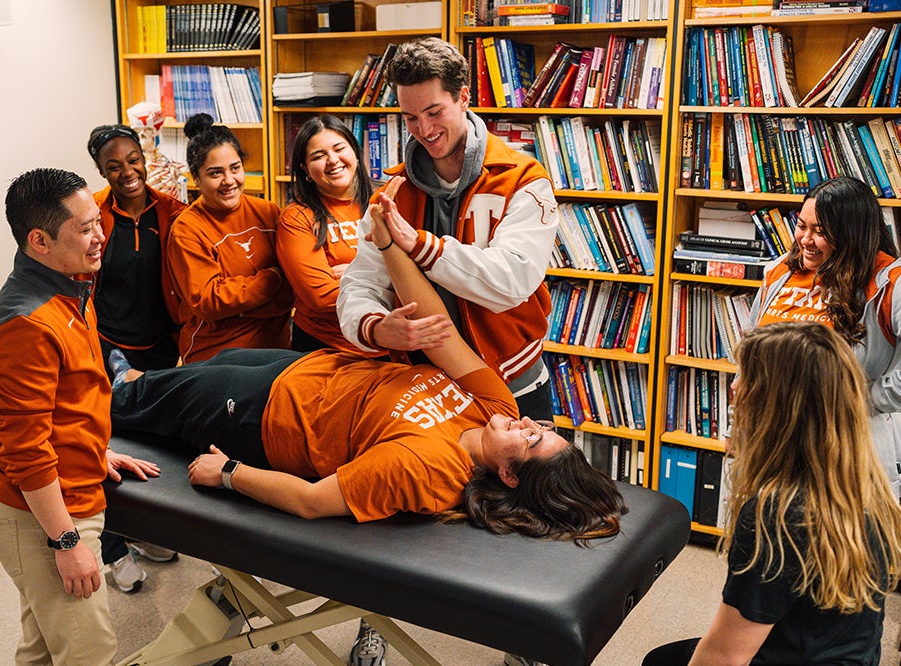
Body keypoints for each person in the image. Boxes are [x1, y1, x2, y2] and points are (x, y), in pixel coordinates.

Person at [110, 176, 625, 536]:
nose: (531, 427)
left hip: (271, 418)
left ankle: (99, 395)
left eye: (533, 442)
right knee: (186, 374)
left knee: (141, 406)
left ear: (510, 476)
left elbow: (313, 504)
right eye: (545, 430)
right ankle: (130, 375)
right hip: (311, 368)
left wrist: (228, 474)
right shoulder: (500, 409)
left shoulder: (428, 471)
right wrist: (388, 245)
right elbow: (438, 334)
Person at [0, 167, 162, 664]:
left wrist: (93, 447)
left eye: (98, 222)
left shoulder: (71, 288)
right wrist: (67, 540)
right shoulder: (29, 323)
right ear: (39, 240)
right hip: (37, 516)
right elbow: (26, 448)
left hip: (65, 497)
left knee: (40, 650)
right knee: (89, 651)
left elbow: (63, 402)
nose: (100, 236)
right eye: (84, 228)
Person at [643, 322, 901, 665]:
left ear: (777, 404)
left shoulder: (779, 514)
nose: (734, 386)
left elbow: (724, 657)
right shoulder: (866, 482)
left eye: (746, 377)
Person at [336, 37, 559, 421]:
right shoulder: (392, 193)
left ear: (463, 97)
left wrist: (422, 246)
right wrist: (373, 327)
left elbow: (513, 281)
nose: (423, 129)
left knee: (530, 484)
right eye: (410, 118)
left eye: (434, 111)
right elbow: (359, 285)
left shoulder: (523, 180)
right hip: (429, 389)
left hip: (514, 384)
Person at [749, 176, 901, 500]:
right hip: (776, 441)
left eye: (820, 231)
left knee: (844, 545)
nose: (805, 239)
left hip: (846, 446)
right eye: (801, 226)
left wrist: (863, 400)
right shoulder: (780, 272)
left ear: (852, 234)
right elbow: (750, 352)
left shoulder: (890, 283)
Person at [87, 123, 184, 592]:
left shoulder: (171, 211)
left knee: (153, 450)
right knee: (105, 450)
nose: (127, 172)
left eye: (132, 160)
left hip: (162, 348)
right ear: (100, 172)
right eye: (113, 166)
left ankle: (148, 531)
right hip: (109, 348)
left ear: (145, 158)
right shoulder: (94, 217)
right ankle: (112, 548)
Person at [167, 113, 293, 363]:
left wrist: (241, 308)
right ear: (196, 179)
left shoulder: (268, 212)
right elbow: (209, 301)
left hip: (277, 351)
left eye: (235, 168)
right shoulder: (187, 228)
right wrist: (272, 279)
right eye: (215, 173)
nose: (229, 181)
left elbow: (293, 288)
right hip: (216, 355)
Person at [276, 114, 380, 356]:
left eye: (339, 148)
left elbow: (423, 270)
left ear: (355, 151)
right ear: (305, 169)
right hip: (328, 347)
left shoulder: (385, 199)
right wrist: (389, 279)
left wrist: (353, 272)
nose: (333, 160)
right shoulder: (296, 218)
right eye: (318, 156)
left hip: (392, 344)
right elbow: (320, 298)